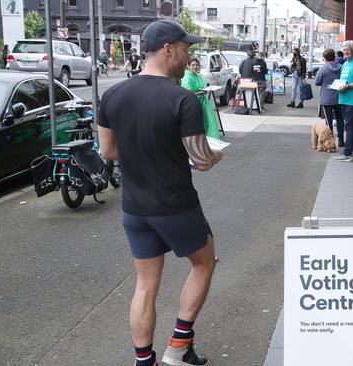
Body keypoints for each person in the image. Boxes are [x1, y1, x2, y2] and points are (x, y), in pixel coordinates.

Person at [97, 19, 223, 366]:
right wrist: (215, 154)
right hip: (175, 205)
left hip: (134, 209)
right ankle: (178, 348)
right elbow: (201, 161)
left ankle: (144, 361)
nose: (188, 56)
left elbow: (107, 151)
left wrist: (145, 152)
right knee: (204, 262)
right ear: (168, 48)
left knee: (145, 286)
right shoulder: (183, 99)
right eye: (185, 49)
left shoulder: (112, 94)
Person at [181, 57, 221, 139]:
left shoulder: (198, 76)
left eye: (196, 65)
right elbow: (187, 93)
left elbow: (203, 86)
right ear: (188, 66)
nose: (195, 67)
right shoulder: (186, 77)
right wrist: (200, 92)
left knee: (205, 121)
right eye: (193, 65)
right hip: (192, 104)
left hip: (202, 102)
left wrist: (206, 89)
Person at [315, 48, 344, 147]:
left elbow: (317, 82)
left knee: (329, 121)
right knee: (340, 119)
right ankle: (341, 139)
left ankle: (330, 141)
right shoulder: (342, 67)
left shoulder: (323, 69)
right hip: (340, 97)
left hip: (326, 98)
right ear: (334, 56)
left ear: (324, 58)